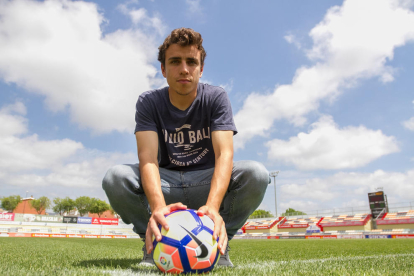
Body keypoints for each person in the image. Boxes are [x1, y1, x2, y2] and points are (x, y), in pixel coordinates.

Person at [102, 27, 269, 267]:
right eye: (175, 61)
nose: (184, 69)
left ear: (201, 69)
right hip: (166, 183)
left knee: (256, 174)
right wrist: (158, 207)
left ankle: (218, 244)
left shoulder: (215, 97)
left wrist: (212, 207)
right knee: (115, 177)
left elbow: (225, 154)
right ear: (163, 69)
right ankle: (154, 241)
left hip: (205, 182)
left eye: (191, 62)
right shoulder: (149, 102)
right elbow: (147, 157)